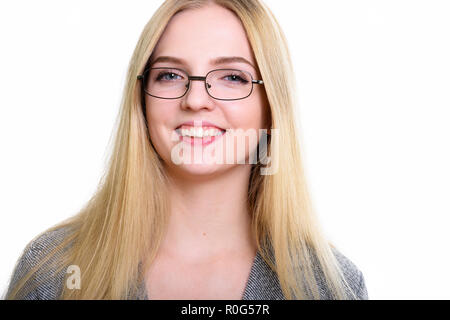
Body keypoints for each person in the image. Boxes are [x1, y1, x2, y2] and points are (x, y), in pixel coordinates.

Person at [4, 0, 368, 300]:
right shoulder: (54, 272)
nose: (196, 100)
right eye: (170, 74)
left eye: (232, 77)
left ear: (271, 103)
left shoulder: (330, 287)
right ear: (142, 100)